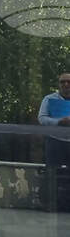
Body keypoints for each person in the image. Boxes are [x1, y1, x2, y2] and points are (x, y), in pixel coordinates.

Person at [38, 72, 70, 211]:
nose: (66, 84)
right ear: (59, 84)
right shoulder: (49, 99)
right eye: (62, 82)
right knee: (51, 174)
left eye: (68, 81)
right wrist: (59, 122)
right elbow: (42, 118)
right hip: (54, 141)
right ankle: (49, 204)